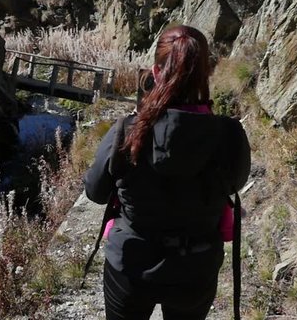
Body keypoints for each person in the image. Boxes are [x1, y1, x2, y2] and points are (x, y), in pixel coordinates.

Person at [83, 25, 251, 320]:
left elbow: (95, 192)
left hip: (131, 264)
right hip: (195, 268)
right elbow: (234, 183)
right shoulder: (230, 135)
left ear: (155, 72)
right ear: (206, 74)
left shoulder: (127, 130)